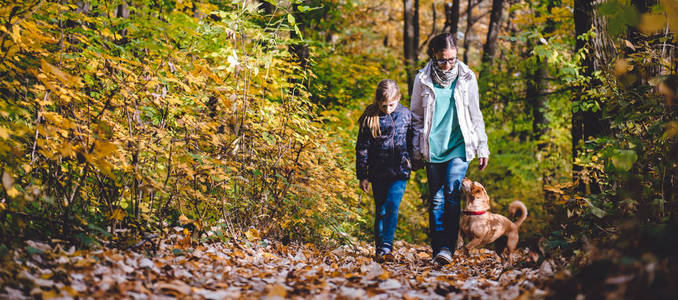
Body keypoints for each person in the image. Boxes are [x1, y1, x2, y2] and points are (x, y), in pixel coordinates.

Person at [410, 33, 490, 265]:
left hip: (459, 145)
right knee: (436, 200)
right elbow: (416, 117)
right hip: (432, 147)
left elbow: (476, 114)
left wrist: (482, 146)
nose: (448, 65)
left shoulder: (467, 77)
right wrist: (416, 151)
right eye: (443, 60)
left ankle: (447, 249)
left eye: (452, 59)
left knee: (452, 195)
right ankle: (438, 251)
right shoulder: (422, 79)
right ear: (433, 56)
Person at [356, 79, 413, 262]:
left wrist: (414, 160)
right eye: (384, 105)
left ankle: (387, 245)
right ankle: (379, 247)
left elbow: (412, 141)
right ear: (377, 101)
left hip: (400, 170)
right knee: (380, 209)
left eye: (391, 105)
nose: (388, 109)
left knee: (392, 207)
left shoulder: (406, 115)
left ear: (398, 98)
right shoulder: (370, 117)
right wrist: (362, 175)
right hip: (377, 171)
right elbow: (362, 148)